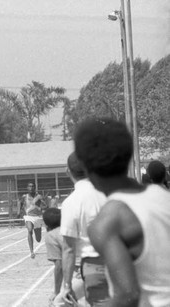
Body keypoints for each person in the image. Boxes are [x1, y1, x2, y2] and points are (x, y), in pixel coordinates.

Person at [75, 118, 170, 306]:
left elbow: (128, 296)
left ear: (85, 167)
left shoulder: (109, 221)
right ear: (128, 157)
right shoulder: (163, 196)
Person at [55, 152, 108, 307]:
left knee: (60, 302)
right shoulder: (108, 193)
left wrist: (67, 286)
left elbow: (68, 249)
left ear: (68, 171)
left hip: (93, 267)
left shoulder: (71, 202)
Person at [19, 182, 46, 259]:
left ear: (35, 187)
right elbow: (20, 204)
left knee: (38, 239)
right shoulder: (24, 197)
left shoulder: (39, 197)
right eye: (29, 186)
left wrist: (39, 208)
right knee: (30, 230)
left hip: (37, 217)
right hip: (28, 217)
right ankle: (32, 252)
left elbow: (46, 205)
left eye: (33, 186)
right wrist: (19, 212)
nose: (31, 188)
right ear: (27, 188)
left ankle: (38, 229)